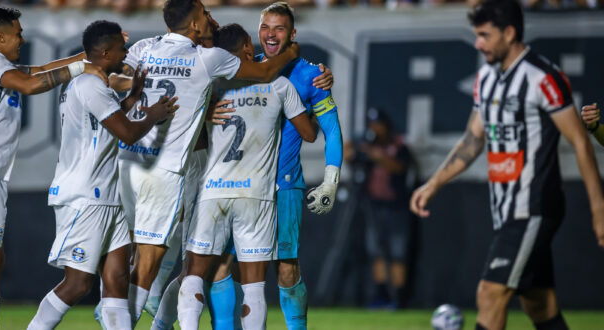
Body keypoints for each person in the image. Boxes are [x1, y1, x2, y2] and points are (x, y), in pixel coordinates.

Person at [409, 1, 604, 329]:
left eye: (484, 35)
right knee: (539, 305)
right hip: (505, 209)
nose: (478, 43)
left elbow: (581, 143)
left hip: (534, 206)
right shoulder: (485, 78)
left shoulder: (543, 77)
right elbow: (472, 141)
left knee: (489, 293)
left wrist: (599, 211)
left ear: (510, 33)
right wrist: (433, 184)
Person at [113, 0, 301, 326]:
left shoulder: (144, 47)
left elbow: (114, 79)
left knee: (141, 258)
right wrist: (291, 52)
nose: (210, 17)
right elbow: (266, 70)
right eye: (205, 13)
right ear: (196, 25)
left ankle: (133, 313)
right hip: (166, 170)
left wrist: (142, 83)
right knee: (150, 263)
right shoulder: (207, 58)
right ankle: (122, 319)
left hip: (127, 161)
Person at [0, 6, 106, 330]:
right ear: (0, 36)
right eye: (17, 33)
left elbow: (38, 70)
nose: (22, 39)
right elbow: (29, 85)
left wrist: (86, 60)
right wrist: (78, 71)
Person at [26, 20, 178, 330]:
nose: (126, 54)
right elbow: (126, 132)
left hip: (107, 195)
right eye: (122, 49)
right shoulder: (88, 84)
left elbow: (107, 123)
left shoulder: (93, 86)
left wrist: (133, 99)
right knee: (78, 283)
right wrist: (153, 115)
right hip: (85, 196)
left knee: (117, 279)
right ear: (105, 51)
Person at [177, 23, 317, 330]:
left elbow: (191, 137)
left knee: (195, 274)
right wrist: (314, 108)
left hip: (212, 192)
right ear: (245, 50)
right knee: (253, 286)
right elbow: (308, 134)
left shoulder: (209, 88)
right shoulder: (280, 85)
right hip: (256, 195)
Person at [240, 2, 343, 329]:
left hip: (285, 185)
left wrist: (330, 181)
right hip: (241, 186)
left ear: (293, 33)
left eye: (279, 28)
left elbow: (331, 130)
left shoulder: (312, 75)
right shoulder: (243, 68)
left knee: (286, 269)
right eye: (266, 27)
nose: (271, 34)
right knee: (225, 267)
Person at [344, 108, 414, 309]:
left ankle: (399, 298)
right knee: (377, 252)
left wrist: (376, 155)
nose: (375, 129)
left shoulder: (398, 146)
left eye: (378, 125)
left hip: (397, 207)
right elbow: (349, 158)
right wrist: (349, 148)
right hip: (374, 206)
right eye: (371, 125)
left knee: (398, 252)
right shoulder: (367, 147)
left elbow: (398, 168)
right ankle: (381, 295)